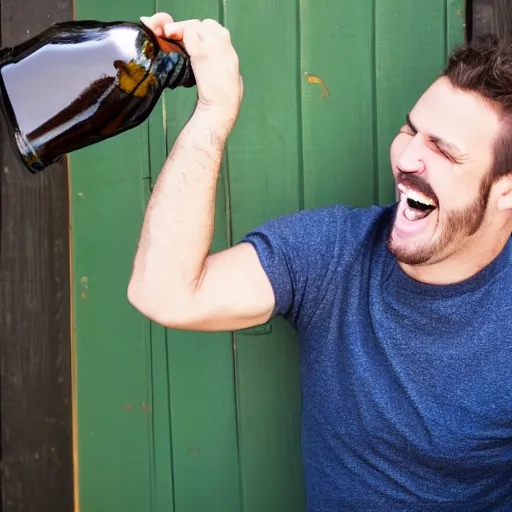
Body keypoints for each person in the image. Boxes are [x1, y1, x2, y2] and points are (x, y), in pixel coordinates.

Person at [128, 12, 512, 511]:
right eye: (410, 129)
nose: (406, 157)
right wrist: (214, 111)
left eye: (443, 151)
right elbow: (165, 293)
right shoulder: (332, 254)